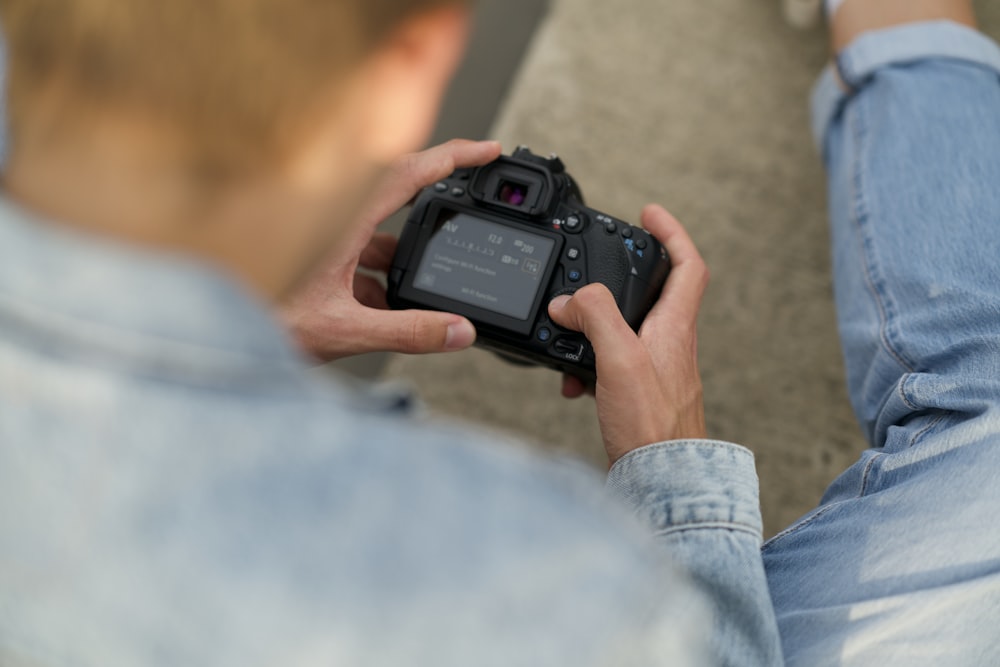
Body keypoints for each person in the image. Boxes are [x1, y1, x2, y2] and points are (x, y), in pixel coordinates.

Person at [0, 1, 998, 666]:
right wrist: (669, 455)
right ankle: (899, 20)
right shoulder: (535, 566)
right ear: (414, 64)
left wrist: (239, 316)